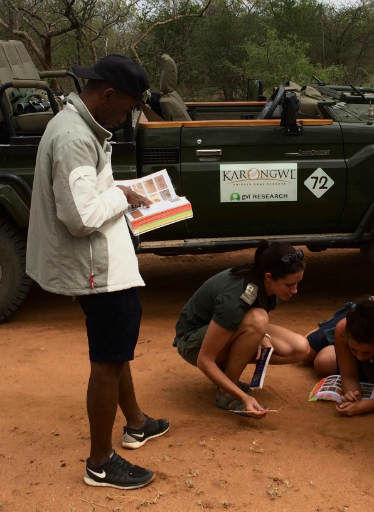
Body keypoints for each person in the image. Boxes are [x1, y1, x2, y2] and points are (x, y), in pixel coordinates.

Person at [26, 54, 168, 491]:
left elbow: (88, 192)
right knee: (107, 361)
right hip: (97, 270)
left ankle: (137, 424)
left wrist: (121, 188)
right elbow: (80, 217)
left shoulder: (83, 126)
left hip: (106, 264)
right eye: (125, 107)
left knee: (116, 351)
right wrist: (124, 199)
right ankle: (101, 462)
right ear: (106, 94)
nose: (126, 116)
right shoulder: (73, 138)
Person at [174, 241, 311, 418]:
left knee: (300, 348)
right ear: (269, 276)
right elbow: (204, 360)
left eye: (297, 283)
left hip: (225, 328)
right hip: (192, 343)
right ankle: (226, 392)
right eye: (289, 285)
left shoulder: (268, 285)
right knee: (258, 320)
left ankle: (228, 373)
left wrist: (261, 335)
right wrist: (243, 397)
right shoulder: (237, 296)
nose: (295, 290)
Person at [303, 297, 374, 417]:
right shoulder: (343, 329)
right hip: (356, 318)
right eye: (354, 349)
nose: (360, 358)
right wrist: (352, 396)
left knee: (324, 361)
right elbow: (349, 376)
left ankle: (333, 339)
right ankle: (328, 330)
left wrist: (363, 406)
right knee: (308, 354)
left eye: (366, 352)